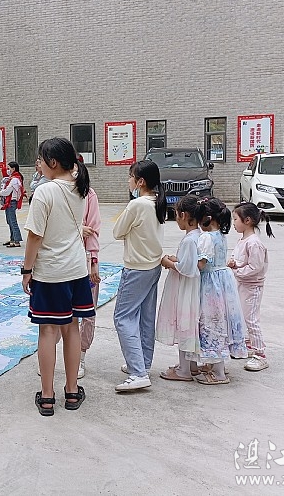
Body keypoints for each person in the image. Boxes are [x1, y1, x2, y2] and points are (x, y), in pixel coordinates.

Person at [22, 137, 94, 416]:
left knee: (48, 331)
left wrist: (27, 270)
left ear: (53, 162)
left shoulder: (45, 191)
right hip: (76, 269)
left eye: (40, 160)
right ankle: (72, 392)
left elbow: (35, 236)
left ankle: (48, 396)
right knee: (71, 328)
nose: (38, 164)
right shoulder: (80, 188)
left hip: (50, 272)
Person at [111, 160, 166, 392]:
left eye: (130, 176)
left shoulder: (137, 204)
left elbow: (117, 232)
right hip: (153, 266)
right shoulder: (156, 202)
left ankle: (138, 372)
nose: (129, 181)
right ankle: (142, 364)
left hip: (136, 268)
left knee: (122, 317)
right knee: (145, 318)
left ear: (140, 181)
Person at [193, 197, 248, 385]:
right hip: (223, 281)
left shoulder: (206, 237)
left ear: (207, 218)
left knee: (212, 322)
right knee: (221, 321)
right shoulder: (220, 236)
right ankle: (216, 366)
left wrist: (181, 263)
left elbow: (201, 264)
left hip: (211, 285)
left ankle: (218, 373)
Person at [156, 195, 202, 381]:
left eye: (176, 215)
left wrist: (168, 262)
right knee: (189, 325)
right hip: (190, 287)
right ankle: (191, 365)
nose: (176, 219)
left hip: (185, 289)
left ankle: (184, 370)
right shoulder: (198, 236)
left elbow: (187, 268)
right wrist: (178, 260)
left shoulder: (190, 240)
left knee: (184, 324)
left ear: (183, 215)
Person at [228, 201, 273, 372]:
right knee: (242, 316)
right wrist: (234, 263)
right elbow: (240, 259)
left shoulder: (254, 243)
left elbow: (255, 267)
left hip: (252, 287)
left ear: (247, 220)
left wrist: (237, 271)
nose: (233, 223)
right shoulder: (243, 240)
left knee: (251, 319)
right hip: (242, 284)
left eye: (235, 219)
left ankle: (260, 354)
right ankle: (248, 344)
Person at [78, 183, 101, 379]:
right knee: (58, 312)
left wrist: (93, 262)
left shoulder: (89, 195)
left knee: (87, 312)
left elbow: (92, 230)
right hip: (59, 262)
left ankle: (80, 356)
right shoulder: (53, 190)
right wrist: (78, 229)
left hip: (84, 260)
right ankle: (49, 356)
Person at [0, 161, 25, 248]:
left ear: (13, 169)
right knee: (9, 221)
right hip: (9, 202)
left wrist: (0, 193)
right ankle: (12, 239)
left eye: (9, 168)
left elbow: (8, 191)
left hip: (11, 202)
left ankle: (17, 240)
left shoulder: (14, 179)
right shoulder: (12, 178)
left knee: (13, 221)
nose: (7, 170)